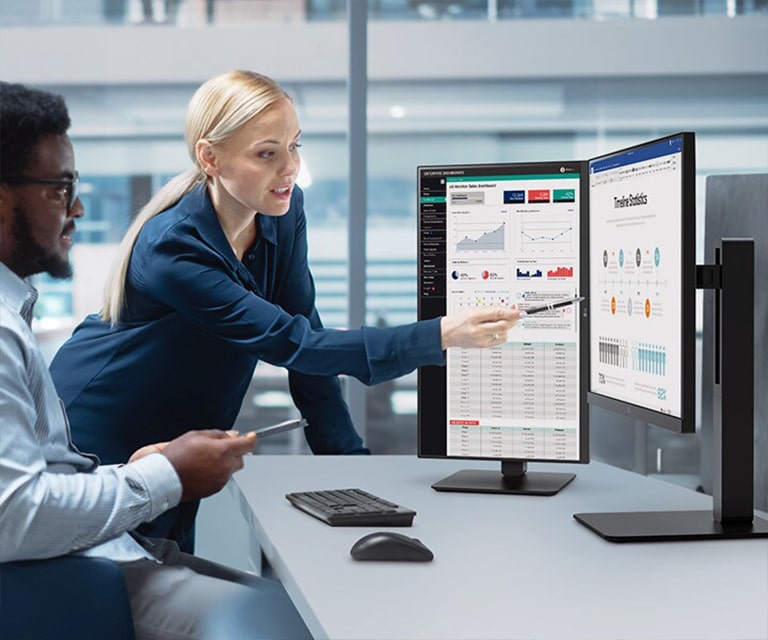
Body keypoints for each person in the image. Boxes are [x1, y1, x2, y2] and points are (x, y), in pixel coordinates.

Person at [49, 69, 520, 552]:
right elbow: (294, 344)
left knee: (164, 576)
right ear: (210, 157)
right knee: (127, 587)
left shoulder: (282, 214)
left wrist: (352, 471)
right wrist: (439, 335)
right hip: (96, 437)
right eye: (267, 154)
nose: (290, 168)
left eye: (294, 146)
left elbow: (306, 345)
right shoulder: (174, 247)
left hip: (175, 445)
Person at [0, 81, 311, 640]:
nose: (77, 207)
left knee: (299, 610)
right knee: (289, 626)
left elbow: (30, 487)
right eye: (60, 188)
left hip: (92, 552)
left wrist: (137, 473)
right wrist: (165, 475)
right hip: (57, 579)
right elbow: (15, 516)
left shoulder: (12, 311)